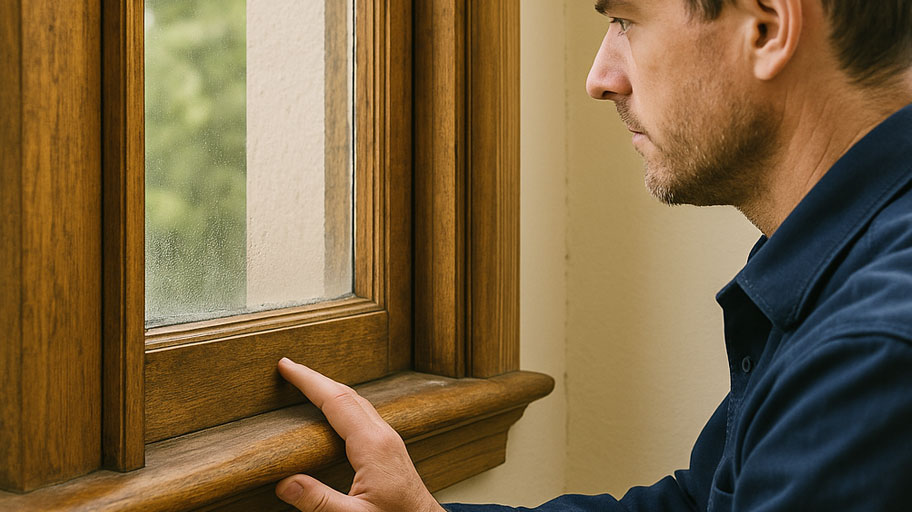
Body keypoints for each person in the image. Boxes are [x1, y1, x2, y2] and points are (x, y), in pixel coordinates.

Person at [273, 0, 912, 510]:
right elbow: (703, 503)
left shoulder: (869, 353)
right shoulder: (847, 271)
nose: (600, 79)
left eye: (626, 21)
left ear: (768, 27)